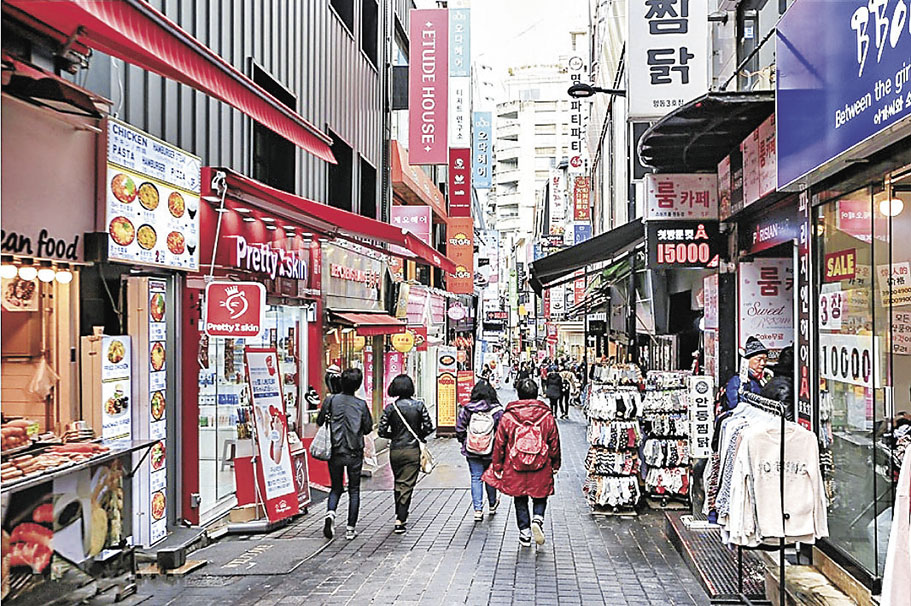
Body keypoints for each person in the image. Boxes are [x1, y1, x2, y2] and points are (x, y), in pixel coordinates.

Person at [482, 379, 561, 547]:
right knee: (540, 494)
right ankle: (538, 519)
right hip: (541, 464)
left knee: (520, 498)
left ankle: (524, 533)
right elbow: (554, 442)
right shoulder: (547, 416)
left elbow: (500, 443)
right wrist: (555, 464)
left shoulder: (508, 417)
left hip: (515, 465)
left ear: (518, 394)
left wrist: (497, 466)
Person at [316, 367, 373, 541]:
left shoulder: (331, 400)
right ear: (357, 385)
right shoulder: (361, 404)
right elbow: (368, 427)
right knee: (354, 490)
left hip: (335, 450)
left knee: (336, 487)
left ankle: (331, 513)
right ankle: (350, 528)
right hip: (354, 451)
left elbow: (319, 421)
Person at [377, 374, 434, 534]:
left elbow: (381, 431)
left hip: (395, 450)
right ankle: (400, 519)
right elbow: (429, 427)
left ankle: (400, 513)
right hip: (412, 450)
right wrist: (419, 436)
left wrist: (394, 436)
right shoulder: (419, 406)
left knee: (398, 482)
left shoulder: (391, 408)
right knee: (407, 484)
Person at [455, 380, 504, 521]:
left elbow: (459, 428)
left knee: (476, 477)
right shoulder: (497, 410)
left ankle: (477, 510)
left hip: (472, 450)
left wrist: (464, 441)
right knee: (490, 477)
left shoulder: (468, 409)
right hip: (491, 450)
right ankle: (492, 504)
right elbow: (502, 432)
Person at [723, 336, 768, 412]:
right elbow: (733, 405)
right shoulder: (737, 380)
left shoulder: (764, 379)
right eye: (759, 359)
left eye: (765, 360)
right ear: (747, 360)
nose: (763, 363)